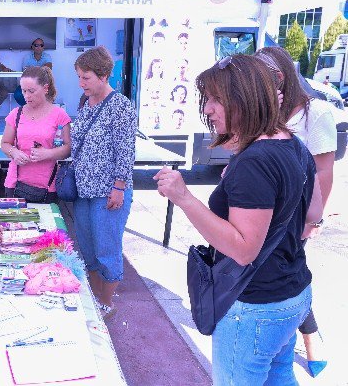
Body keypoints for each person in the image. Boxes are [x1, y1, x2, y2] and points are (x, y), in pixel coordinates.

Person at [154, 54, 322, 385]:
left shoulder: (255, 161)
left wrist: (184, 198)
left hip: (255, 306)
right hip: (292, 293)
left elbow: (244, 250)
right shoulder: (292, 144)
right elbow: (313, 214)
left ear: (245, 98)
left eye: (217, 99)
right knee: (279, 376)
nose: (207, 109)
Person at [255, 46, 336, 377]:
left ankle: (309, 339)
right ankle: (305, 336)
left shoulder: (316, 112)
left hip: (297, 216)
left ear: (281, 74)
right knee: (283, 278)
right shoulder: (269, 109)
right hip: (264, 212)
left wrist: (313, 220)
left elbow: (324, 172)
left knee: (290, 277)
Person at [71, 46, 136, 319]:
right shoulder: (86, 104)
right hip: (84, 191)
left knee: (107, 249)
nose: (81, 83)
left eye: (86, 77)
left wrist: (119, 187)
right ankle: (96, 298)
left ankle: (106, 304)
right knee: (88, 249)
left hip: (108, 192)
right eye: (79, 77)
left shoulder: (120, 106)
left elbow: (126, 150)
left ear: (104, 75)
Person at [0, 66, 71, 202]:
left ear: (45, 88)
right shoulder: (16, 113)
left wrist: (48, 154)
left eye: (31, 91)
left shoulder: (60, 115)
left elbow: (68, 148)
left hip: (47, 186)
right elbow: (5, 143)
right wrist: (14, 152)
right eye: (23, 90)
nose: (26, 96)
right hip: (15, 184)